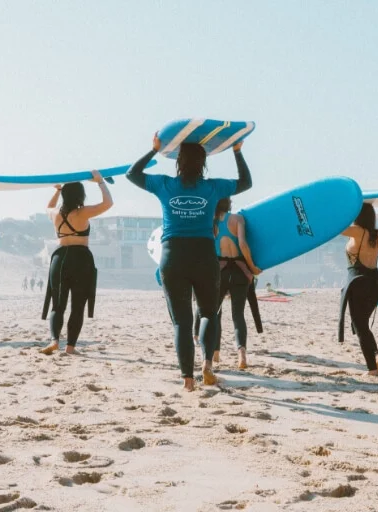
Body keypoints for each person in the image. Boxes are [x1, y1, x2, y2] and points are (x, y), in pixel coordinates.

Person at [127, 134, 252, 391]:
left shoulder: (164, 185)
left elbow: (132, 174)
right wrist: (237, 151)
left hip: (173, 255)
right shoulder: (213, 188)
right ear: (203, 163)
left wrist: (153, 150)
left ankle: (187, 380)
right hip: (204, 254)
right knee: (208, 312)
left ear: (178, 161)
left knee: (181, 322)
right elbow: (246, 182)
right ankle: (207, 366)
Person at [40, 171, 113, 355]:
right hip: (80, 259)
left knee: (58, 304)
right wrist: (100, 182)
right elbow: (108, 203)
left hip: (59, 258)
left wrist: (57, 190)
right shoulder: (83, 212)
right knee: (77, 305)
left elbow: (47, 207)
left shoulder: (55, 213)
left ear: (65, 195)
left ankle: (54, 340)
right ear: (81, 196)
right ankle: (70, 347)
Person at [338, 204, 378, 376]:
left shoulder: (358, 232)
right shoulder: (377, 234)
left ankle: (372, 369)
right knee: (363, 325)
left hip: (358, 284)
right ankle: (376, 355)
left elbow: (338, 229)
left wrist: (348, 208)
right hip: (375, 285)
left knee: (360, 326)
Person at [213, 197, 261, 369]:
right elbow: (242, 244)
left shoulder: (211, 223)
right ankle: (242, 356)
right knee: (238, 315)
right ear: (229, 204)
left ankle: (215, 353)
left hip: (220, 272)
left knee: (215, 313)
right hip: (240, 272)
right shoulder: (238, 219)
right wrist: (252, 267)